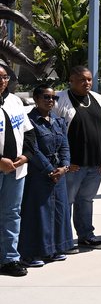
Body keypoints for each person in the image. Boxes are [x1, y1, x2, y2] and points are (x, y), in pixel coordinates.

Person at [55, 66, 101, 250]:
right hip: (73, 165)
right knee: (66, 202)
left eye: (89, 79)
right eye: (82, 80)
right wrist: (64, 162)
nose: (87, 83)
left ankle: (86, 235)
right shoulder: (60, 101)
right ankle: (64, 240)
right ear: (71, 81)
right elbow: (54, 132)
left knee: (86, 201)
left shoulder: (99, 99)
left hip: (96, 164)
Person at [18, 85, 71, 266]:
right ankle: (31, 253)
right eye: (46, 97)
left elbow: (65, 144)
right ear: (36, 98)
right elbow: (33, 148)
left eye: (54, 98)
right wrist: (49, 169)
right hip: (39, 173)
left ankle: (53, 249)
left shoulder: (58, 120)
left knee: (58, 212)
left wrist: (64, 166)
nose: (50, 101)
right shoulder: (30, 120)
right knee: (37, 213)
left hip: (59, 173)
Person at [0, 63, 31, 276]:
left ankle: (10, 258)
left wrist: (25, 156)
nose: (1, 81)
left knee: (12, 213)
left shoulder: (15, 101)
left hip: (16, 169)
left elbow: (28, 133)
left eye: (4, 77)